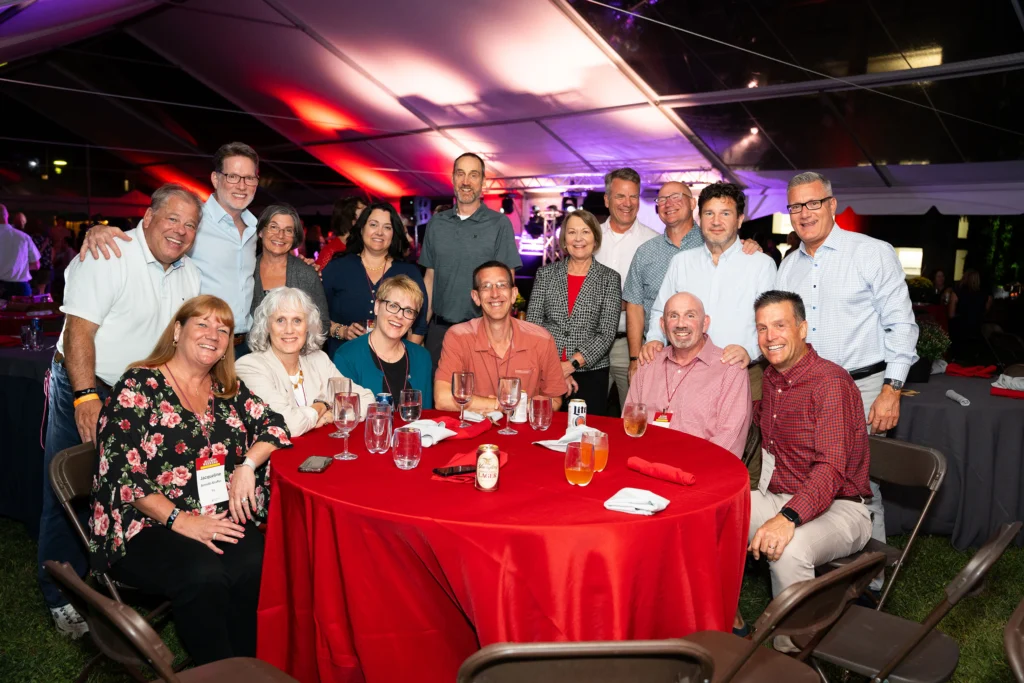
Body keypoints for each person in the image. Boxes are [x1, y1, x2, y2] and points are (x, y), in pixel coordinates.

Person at [88, 295, 290, 665]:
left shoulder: (226, 390)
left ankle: (246, 665)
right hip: (143, 523)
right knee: (203, 574)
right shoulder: (138, 385)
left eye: (224, 329)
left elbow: (274, 425)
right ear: (178, 331)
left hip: (212, 515)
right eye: (202, 323)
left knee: (256, 561)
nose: (213, 334)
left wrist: (247, 465)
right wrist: (184, 522)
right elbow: (122, 471)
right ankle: (217, 671)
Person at [40, 184, 203, 637]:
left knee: (126, 490)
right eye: (172, 218)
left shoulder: (188, 274)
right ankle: (58, 594)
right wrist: (86, 396)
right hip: (88, 384)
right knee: (70, 489)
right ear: (147, 217)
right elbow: (79, 332)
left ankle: (112, 576)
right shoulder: (108, 253)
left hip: (138, 396)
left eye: (190, 224)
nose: (181, 230)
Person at [775, 171, 917, 590]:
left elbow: (901, 325)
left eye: (813, 203)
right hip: (807, 388)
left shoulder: (872, 252)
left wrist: (892, 388)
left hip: (864, 386)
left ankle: (870, 585)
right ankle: (815, 568)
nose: (805, 213)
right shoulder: (788, 266)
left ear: (832, 205)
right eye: (796, 206)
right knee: (811, 474)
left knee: (862, 480)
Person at [743, 290, 872, 646]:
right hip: (781, 494)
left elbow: (831, 468)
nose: (770, 337)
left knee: (791, 548)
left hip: (842, 506)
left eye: (780, 325)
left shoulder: (829, 383)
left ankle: (791, 652)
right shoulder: (772, 378)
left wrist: (787, 518)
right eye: (762, 328)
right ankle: (720, 620)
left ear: (802, 329)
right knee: (717, 512)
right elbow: (760, 421)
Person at [80, 142, 263, 357]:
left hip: (245, 344)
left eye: (249, 178)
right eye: (233, 176)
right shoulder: (194, 220)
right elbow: (150, 236)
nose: (242, 186)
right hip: (203, 344)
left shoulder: (254, 227)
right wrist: (98, 231)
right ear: (215, 179)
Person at [641, 183, 776, 400]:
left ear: (740, 219)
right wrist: (655, 339)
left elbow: (769, 324)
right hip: (685, 373)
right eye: (709, 213)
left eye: (725, 213)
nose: (716, 221)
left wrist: (749, 352)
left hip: (742, 372)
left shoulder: (761, 265)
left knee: (739, 434)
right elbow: (660, 310)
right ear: (700, 218)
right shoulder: (681, 262)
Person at [419, 153, 522, 370]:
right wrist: (419, 331)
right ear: (453, 179)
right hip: (439, 332)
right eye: (461, 174)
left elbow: (506, 282)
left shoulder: (499, 224)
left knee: (483, 401)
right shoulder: (436, 224)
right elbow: (430, 280)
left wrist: (499, 333)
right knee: (439, 401)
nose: (466, 181)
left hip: (482, 332)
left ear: (483, 182)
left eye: (473, 175)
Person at [625, 292, 750, 456]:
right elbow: (628, 424)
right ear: (662, 325)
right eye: (673, 316)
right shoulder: (648, 364)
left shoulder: (730, 368)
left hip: (699, 472)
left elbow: (729, 439)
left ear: (705, 323)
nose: (681, 324)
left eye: (690, 315)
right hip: (645, 466)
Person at [237, 288, 374, 436]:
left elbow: (365, 399)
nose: (289, 330)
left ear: (308, 326)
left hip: (319, 454)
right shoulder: (249, 367)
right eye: (280, 320)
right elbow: (289, 425)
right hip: (275, 457)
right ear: (267, 326)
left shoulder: (319, 359)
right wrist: (323, 405)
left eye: (297, 320)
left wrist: (329, 416)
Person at [435, 261, 565, 413]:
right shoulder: (458, 336)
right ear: (476, 297)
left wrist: (495, 405)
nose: (495, 294)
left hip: (524, 434)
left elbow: (555, 401)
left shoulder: (541, 339)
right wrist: (500, 405)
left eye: (502, 285)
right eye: (486, 286)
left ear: (513, 294)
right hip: (476, 433)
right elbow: (442, 399)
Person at [526, 210, 621, 415]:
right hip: (546, 370)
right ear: (564, 239)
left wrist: (570, 365)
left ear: (595, 238)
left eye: (585, 232)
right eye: (572, 232)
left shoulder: (610, 279)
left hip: (591, 372)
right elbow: (533, 327)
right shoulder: (545, 274)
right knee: (544, 429)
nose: (578, 239)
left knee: (585, 435)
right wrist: (555, 368)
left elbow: (605, 333)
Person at [321, 202, 428, 357]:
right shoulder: (337, 268)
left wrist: (403, 359)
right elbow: (315, 317)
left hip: (393, 368)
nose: (380, 232)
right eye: (373, 224)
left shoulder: (408, 273)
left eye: (387, 227)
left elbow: (419, 326)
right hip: (344, 364)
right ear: (362, 228)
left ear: (394, 233)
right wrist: (342, 331)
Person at [592, 168, 657, 409]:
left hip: (631, 346)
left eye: (633, 196)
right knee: (587, 416)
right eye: (620, 196)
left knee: (633, 417)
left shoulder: (653, 242)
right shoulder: (590, 237)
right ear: (607, 199)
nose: (627, 204)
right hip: (590, 342)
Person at [622, 182, 702, 381]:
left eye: (676, 197)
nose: (668, 204)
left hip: (702, 359)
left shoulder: (711, 245)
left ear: (692, 203)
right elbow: (635, 306)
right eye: (662, 200)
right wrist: (634, 358)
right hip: (656, 354)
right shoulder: (645, 252)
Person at [333, 275, 434, 408]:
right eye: (393, 306)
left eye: (408, 311)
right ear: (377, 307)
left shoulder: (422, 358)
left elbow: (426, 418)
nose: (399, 316)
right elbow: (345, 417)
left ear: (413, 320)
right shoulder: (347, 357)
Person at [250, 204, 331, 339]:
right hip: (250, 355)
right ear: (260, 232)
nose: (280, 235)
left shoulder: (306, 274)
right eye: (273, 227)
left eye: (288, 230)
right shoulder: (246, 271)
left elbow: (323, 325)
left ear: (294, 237)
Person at [948, 269, 992, 362]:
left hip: (959, 329)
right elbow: (985, 312)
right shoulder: (986, 295)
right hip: (978, 328)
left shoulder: (957, 292)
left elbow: (951, 314)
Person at [0, 204, 40, 298]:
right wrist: (17, 267)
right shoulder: (23, 237)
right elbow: (36, 265)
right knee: (21, 313)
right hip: (20, 288)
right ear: (7, 215)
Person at [315, 197, 367, 269]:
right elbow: (318, 277)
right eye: (364, 212)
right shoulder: (330, 250)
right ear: (351, 219)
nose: (369, 215)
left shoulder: (365, 245)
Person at [25, 217, 54, 294]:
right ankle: (41, 305)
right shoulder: (46, 239)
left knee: (34, 290)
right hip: (46, 266)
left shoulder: (30, 238)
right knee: (42, 291)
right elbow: (51, 253)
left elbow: (32, 254)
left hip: (34, 267)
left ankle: (35, 305)